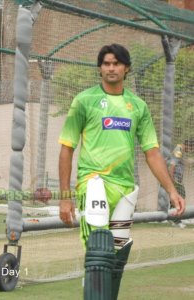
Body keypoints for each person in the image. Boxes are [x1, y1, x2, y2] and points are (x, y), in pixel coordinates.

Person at [58, 43, 185, 299]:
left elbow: (152, 152)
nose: (111, 68)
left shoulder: (137, 106)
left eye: (116, 63)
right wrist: (65, 197)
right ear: (99, 68)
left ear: (126, 68)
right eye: (106, 63)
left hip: (125, 189)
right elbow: (67, 149)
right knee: (99, 251)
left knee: (116, 256)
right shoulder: (84, 101)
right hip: (93, 182)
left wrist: (171, 190)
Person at [168, 140, 193, 227]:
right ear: (188, 146)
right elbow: (172, 165)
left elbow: (181, 162)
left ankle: (172, 218)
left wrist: (190, 161)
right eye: (191, 149)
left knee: (175, 199)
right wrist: (172, 180)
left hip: (177, 179)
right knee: (181, 197)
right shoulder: (178, 150)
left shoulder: (180, 150)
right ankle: (176, 221)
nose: (190, 151)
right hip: (175, 179)